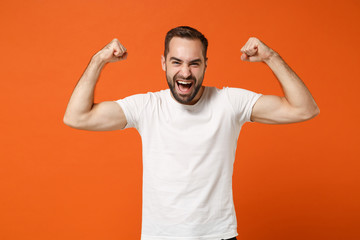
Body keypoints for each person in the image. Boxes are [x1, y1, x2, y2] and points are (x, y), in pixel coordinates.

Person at [63, 26, 319, 240]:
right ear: (164, 63)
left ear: (205, 64)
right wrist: (98, 60)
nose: (185, 73)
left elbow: (304, 109)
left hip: (217, 235)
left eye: (194, 63)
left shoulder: (229, 102)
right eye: (177, 62)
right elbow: (76, 116)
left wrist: (271, 57)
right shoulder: (148, 106)